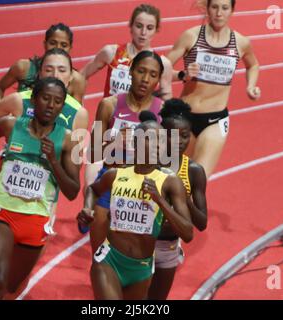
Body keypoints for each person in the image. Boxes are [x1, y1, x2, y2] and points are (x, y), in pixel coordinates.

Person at [0, 77, 81, 300]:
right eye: (46, 98)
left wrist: (53, 161)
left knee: (11, 285)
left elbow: (73, 190)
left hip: (36, 220)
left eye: (58, 101)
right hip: (3, 212)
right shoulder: (12, 124)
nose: (51, 105)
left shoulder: (68, 141)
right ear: (34, 99)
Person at [81, 120, 193, 300]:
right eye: (151, 139)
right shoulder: (116, 174)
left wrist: (160, 201)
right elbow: (93, 189)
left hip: (142, 267)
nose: (158, 145)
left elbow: (188, 233)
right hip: (109, 260)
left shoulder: (170, 182)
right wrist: (87, 208)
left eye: (162, 141)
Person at [167, 0, 261, 178]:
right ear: (207, 9)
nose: (219, 13)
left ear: (232, 11)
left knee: (197, 180)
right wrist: (183, 75)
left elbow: (253, 65)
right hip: (183, 118)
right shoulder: (191, 36)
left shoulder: (240, 43)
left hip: (215, 120)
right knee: (171, 179)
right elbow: (161, 68)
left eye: (225, 8)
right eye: (215, 7)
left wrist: (251, 86)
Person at [0, 48, 89, 179]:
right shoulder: (19, 100)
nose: (55, 75)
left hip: (45, 191)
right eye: (48, 70)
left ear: (71, 76)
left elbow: (74, 164)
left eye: (62, 70)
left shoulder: (78, 114)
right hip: (7, 188)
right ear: (40, 73)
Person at [80, 50, 166, 233]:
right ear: (131, 71)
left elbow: (169, 160)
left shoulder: (162, 112)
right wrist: (113, 144)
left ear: (158, 80)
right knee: (100, 250)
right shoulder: (109, 105)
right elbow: (93, 153)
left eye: (153, 75)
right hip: (111, 181)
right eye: (141, 71)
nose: (145, 79)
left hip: (143, 190)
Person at [147, 98, 208, 300]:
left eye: (185, 135)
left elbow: (201, 223)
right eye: (173, 135)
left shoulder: (194, 171)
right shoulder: (145, 164)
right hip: (140, 243)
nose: (180, 141)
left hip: (168, 246)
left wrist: (184, 197)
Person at [80, 4, 172, 100]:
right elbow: (81, 75)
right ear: (131, 26)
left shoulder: (162, 63)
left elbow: (167, 102)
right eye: (139, 26)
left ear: (156, 30)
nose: (143, 32)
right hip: (110, 114)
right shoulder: (111, 52)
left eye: (149, 28)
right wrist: (78, 103)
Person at [0, 23, 86, 104]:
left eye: (64, 45)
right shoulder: (22, 68)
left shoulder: (77, 80)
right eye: (53, 43)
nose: (57, 48)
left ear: (70, 48)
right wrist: (2, 112)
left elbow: (76, 114)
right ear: (45, 44)